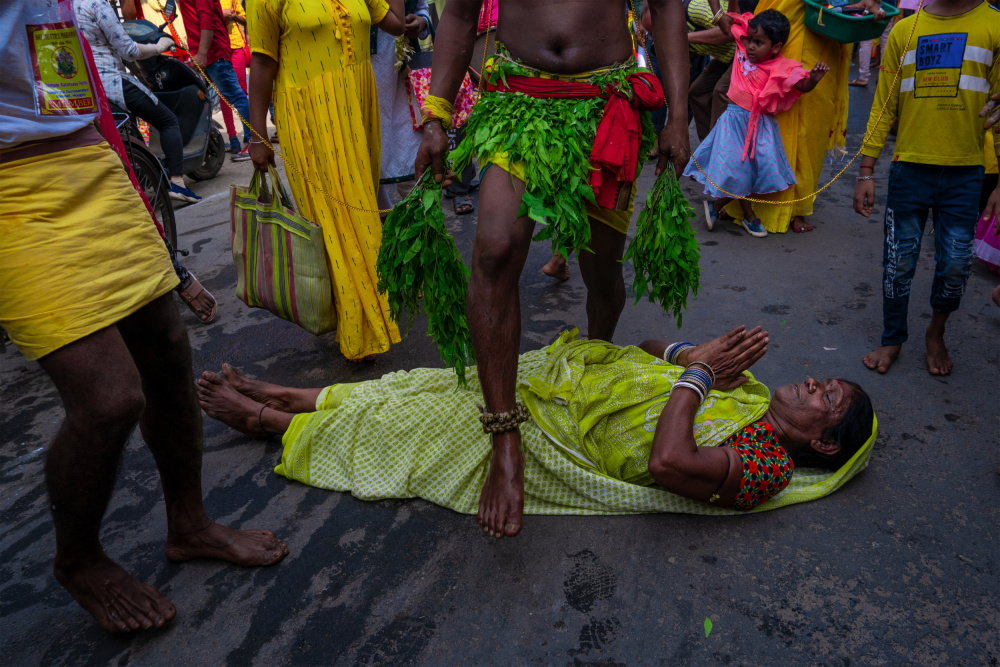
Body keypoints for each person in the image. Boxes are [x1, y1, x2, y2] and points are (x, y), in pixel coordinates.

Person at [0, 0, 287, 633]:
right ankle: (79, 559)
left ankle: (189, 524)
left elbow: (62, 70)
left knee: (167, 355)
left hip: (88, 158)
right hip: (11, 192)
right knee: (108, 399)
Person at [414, 0, 712, 538]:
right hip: (516, 104)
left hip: (607, 109)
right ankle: (504, 438)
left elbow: (667, 6)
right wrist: (435, 112)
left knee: (603, 273)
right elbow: (457, 14)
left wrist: (675, 114)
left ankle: (595, 366)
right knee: (494, 252)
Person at [196, 326, 876, 530]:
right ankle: (294, 394)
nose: (816, 382)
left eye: (829, 396)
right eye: (824, 378)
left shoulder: (764, 465)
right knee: (430, 384)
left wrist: (695, 381)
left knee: (425, 427)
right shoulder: (749, 388)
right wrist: (689, 358)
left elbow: (670, 462)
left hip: (560, 435)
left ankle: (269, 421)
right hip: (564, 379)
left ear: (821, 441)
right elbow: (643, 342)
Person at [246, 0, 406, 361]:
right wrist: (258, 135)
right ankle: (358, 325)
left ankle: (366, 308)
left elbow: (395, 23)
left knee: (360, 208)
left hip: (358, 104)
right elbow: (262, 61)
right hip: (311, 114)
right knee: (340, 219)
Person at [853, 0, 1000, 375]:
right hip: (909, 170)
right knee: (897, 264)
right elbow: (883, 106)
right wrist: (865, 171)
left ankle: (936, 331)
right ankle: (892, 338)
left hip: (966, 174)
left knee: (954, 265)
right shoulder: (905, 29)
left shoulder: (995, 27)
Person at [713, 0, 886, 234]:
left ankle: (796, 207)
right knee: (767, 131)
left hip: (820, 36)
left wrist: (866, 3)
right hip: (777, 29)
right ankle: (743, 205)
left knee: (810, 129)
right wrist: (718, 13)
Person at [684, 10, 829, 238]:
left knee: (753, 174)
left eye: (758, 42)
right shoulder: (742, 47)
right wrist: (720, 12)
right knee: (740, 173)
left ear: (776, 47)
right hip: (733, 121)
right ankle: (749, 218)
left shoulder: (781, 66)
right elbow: (732, 24)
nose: (750, 46)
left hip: (761, 126)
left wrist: (813, 80)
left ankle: (717, 206)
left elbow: (800, 86)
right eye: (750, 39)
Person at [73, 0, 203, 203]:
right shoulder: (97, 5)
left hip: (84, 88)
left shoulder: (62, 7)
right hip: (110, 81)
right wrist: (159, 46)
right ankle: (177, 183)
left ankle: (152, 181)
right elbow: (129, 51)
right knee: (168, 120)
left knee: (131, 130)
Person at [373, 0, 434, 213]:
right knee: (366, 153)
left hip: (404, 74)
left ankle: (420, 222)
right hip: (362, 74)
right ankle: (381, 217)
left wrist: (421, 21)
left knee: (412, 148)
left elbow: (422, 8)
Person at [177, 0, 252, 161]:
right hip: (203, 52)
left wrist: (203, 52)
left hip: (213, 52)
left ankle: (253, 142)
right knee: (205, 101)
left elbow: (207, 18)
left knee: (236, 96)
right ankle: (229, 143)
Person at [687, 0, 759, 140]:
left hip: (744, 48)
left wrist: (686, 38)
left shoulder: (695, 11)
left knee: (721, 92)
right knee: (697, 91)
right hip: (724, 57)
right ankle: (707, 143)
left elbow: (729, 29)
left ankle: (720, 147)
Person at [219, 0, 250, 156]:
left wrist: (234, 16)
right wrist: (221, 14)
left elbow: (245, 20)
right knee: (223, 97)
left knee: (241, 93)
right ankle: (233, 139)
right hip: (218, 47)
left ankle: (249, 141)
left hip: (236, 46)